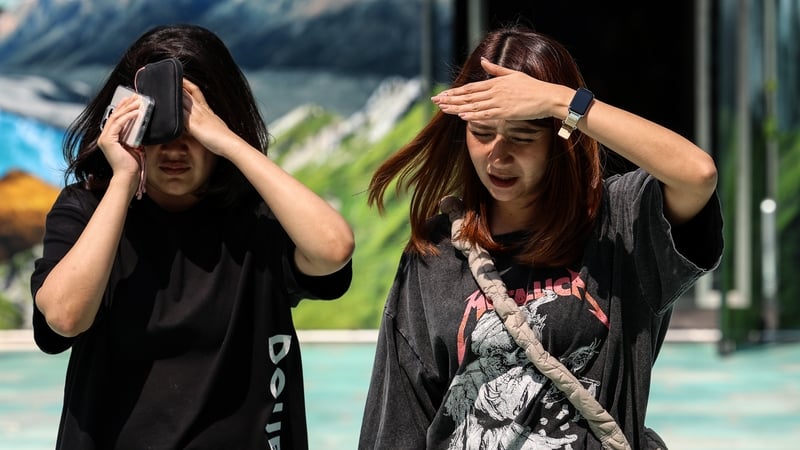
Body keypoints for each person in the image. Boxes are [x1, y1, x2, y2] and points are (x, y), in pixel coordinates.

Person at [359, 26, 722, 449]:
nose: (499, 154)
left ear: (560, 137)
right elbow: (400, 417)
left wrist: (561, 100)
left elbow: (698, 175)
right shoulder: (436, 254)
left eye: (523, 136)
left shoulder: (622, 223)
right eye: (481, 133)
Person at [30, 24, 354, 450]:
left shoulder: (258, 218)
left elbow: (334, 250)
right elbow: (64, 319)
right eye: (159, 127)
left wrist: (228, 142)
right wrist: (124, 179)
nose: (175, 148)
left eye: (192, 126)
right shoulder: (88, 211)